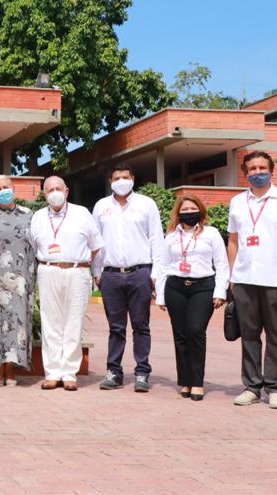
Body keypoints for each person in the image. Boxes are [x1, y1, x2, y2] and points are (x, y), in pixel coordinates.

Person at [227, 150, 277, 409]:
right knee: (249, 335)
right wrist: (232, 276)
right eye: (252, 169)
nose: (258, 172)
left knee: (276, 335)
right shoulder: (238, 202)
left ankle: (275, 387)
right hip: (245, 279)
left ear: (272, 170)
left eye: (262, 167)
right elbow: (234, 240)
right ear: (245, 173)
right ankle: (251, 386)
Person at [92, 164, 164, 392]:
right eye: (116, 177)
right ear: (110, 181)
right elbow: (95, 241)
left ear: (132, 178)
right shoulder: (101, 206)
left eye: (125, 177)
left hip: (140, 272)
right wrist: (97, 273)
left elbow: (156, 239)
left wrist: (155, 273)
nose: (121, 180)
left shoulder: (146, 204)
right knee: (116, 327)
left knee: (141, 325)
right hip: (111, 274)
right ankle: (114, 371)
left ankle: (142, 372)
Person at [29, 176, 103, 391]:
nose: (54, 192)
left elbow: (96, 245)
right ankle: (52, 373)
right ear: (44, 194)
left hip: (76, 271)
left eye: (58, 188)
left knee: (73, 322)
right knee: (50, 323)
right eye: (50, 189)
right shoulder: (38, 217)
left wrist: (80, 259)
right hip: (48, 270)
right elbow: (35, 246)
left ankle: (69, 373)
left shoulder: (82, 213)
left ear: (67, 191)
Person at [154, 195, 229, 401]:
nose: (189, 212)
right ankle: (185, 381)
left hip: (203, 287)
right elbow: (162, 266)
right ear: (178, 213)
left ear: (201, 210)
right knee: (180, 334)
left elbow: (221, 264)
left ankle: (197, 382)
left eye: (192, 208)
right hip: (175, 287)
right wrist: (160, 295)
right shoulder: (170, 236)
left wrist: (220, 291)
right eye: (184, 209)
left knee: (195, 331)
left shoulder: (211, 234)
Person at [0, 175, 35, 387]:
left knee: (17, 322)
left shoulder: (28, 215)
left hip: (21, 278)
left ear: (14, 188)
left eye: (6, 187)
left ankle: (11, 369)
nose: (3, 190)